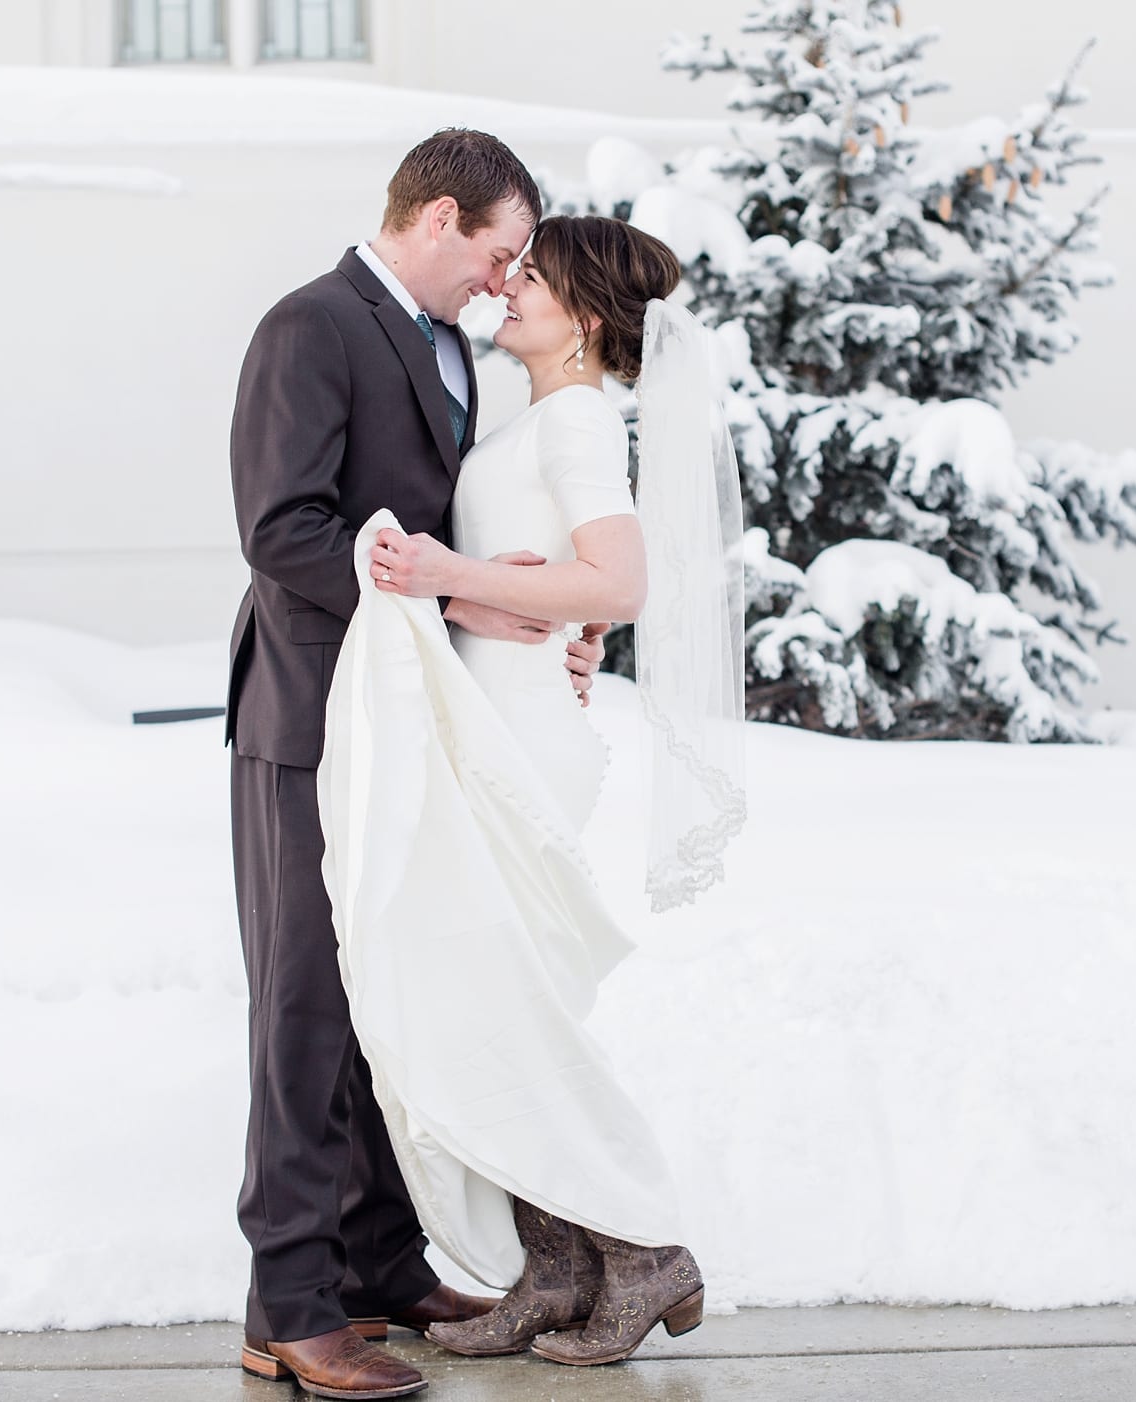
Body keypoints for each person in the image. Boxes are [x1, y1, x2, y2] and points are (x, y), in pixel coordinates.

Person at [315, 214, 747, 1373]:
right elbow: (570, 581)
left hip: (522, 740)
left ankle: (645, 1248)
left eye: (536, 280)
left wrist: (454, 577)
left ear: (587, 320)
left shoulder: (581, 419)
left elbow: (624, 576)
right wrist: (559, 620)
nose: (511, 289)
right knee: (486, 1003)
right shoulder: (540, 415)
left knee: (510, 1008)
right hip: (489, 716)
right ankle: (555, 1270)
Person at [223, 130, 613, 1401]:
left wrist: (520, 606)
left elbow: (454, 529)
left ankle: (381, 1264)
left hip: (411, 713)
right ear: (438, 217)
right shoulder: (310, 325)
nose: (506, 285)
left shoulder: (454, 348)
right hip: (308, 711)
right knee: (303, 1002)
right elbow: (284, 528)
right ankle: (288, 1303)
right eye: (498, 254)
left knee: (388, 985)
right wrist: (447, 601)